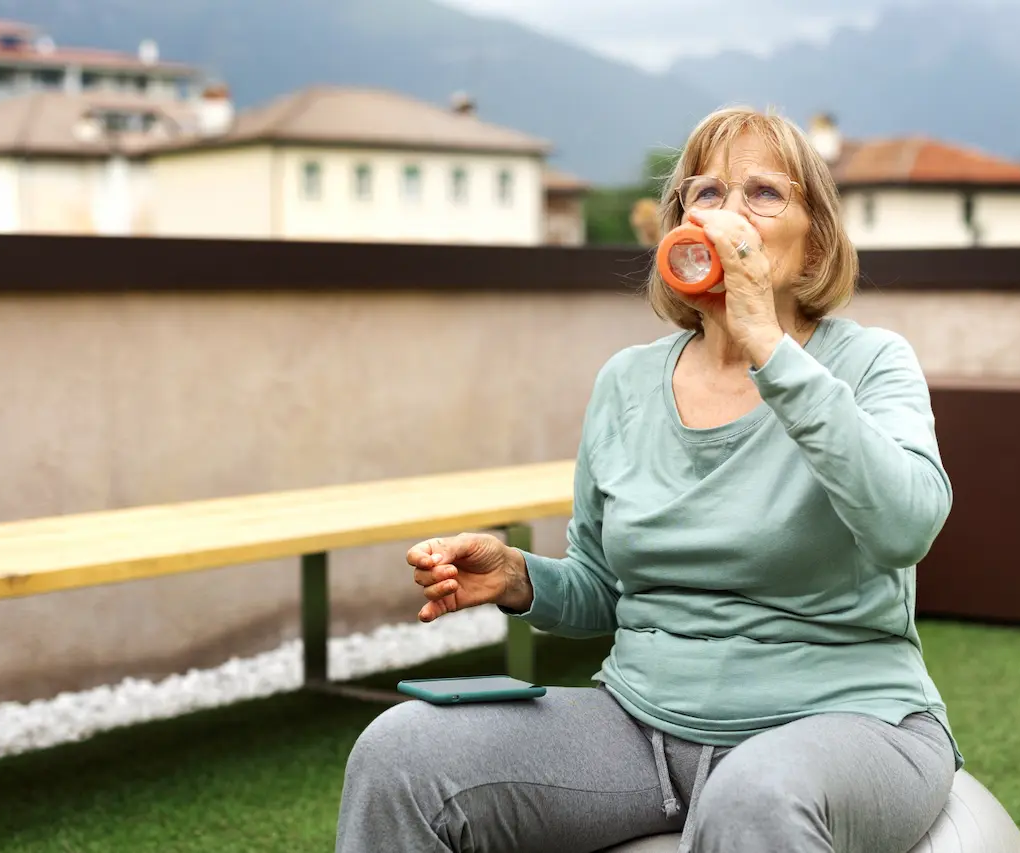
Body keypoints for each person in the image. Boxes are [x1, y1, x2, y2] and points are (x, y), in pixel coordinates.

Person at [335, 106, 961, 853]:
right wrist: (518, 579)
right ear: (680, 228)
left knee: (752, 797)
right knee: (400, 753)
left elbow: (906, 525)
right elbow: (604, 586)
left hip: (848, 721)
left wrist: (769, 342)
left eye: (764, 194)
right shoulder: (627, 382)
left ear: (815, 242)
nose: (730, 213)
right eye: (708, 193)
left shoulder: (870, 364)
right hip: (642, 728)